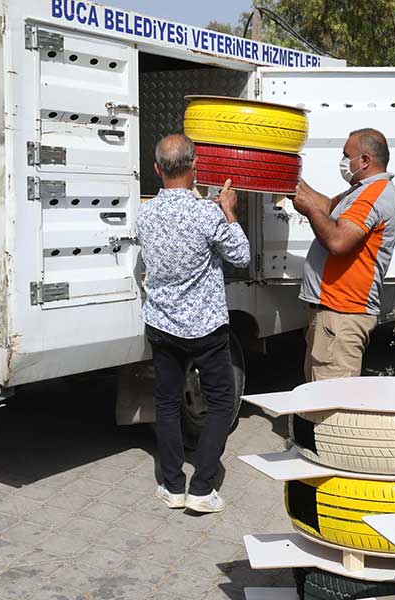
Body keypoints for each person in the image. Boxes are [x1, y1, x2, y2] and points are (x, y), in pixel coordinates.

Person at [136, 134, 250, 514]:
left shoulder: (145, 213)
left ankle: (172, 485)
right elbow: (242, 255)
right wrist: (229, 209)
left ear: (157, 169)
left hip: (163, 324)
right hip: (206, 328)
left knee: (166, 403)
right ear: (195, 165)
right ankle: (202, 489)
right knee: (220, 402)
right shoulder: (208, 214)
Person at [291, 128, 395, 382]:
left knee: (333, 409)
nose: (342, 161)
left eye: (346, 155)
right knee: (316, 400)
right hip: (333, 314)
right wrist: (291, 181)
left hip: (342, 315)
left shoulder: (373, 194)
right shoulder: (360, 190)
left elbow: (338, 241)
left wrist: (308, 211)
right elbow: (327, 206)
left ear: (364, 161)